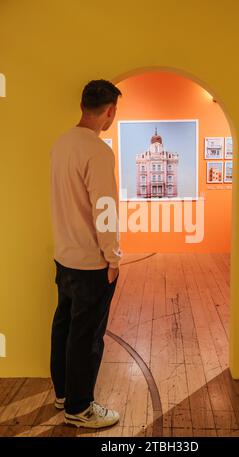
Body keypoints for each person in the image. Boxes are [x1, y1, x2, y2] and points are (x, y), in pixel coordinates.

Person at [49, 79, 123, 429]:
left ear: (82, 105)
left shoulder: (61, 144)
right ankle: (79, 407)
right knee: (87, 336)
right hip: (91, 263)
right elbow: (105, 209)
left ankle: (64, 393)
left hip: (64, 257)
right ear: (109, 112)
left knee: (64, 326)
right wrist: (113, 258)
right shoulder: (98, 151)